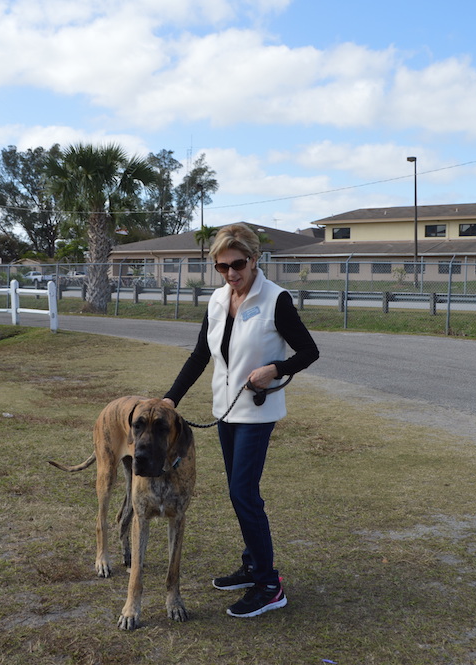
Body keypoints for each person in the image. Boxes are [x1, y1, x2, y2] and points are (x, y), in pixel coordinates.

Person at [163, 222, 319, 618]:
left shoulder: (275, 299)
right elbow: (201, 354)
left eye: (238, 264)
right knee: (240, 491)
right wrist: (170, 399)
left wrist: (275, 368)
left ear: (254, 260)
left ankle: (270, 585)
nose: (231, 274)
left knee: (242, 494)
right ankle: (253, 565)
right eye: (222, 267)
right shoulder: (218, 300)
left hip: (258, 411)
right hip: (226, 410)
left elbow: (308, 351)